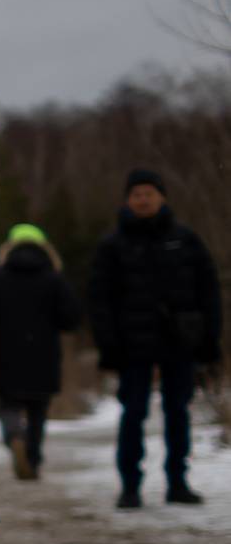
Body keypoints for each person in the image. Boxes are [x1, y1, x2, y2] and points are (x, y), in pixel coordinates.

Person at [88, 169, 220, 507]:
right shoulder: (113, 246)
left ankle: (178, 481)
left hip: (180, 341)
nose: (143, 199)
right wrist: (108, 345)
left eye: (149, 193)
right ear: (127, 200)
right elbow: (99, 300)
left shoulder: (186, 240)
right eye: (137, 194)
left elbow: (209, 292)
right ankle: (130, 486)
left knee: (179, 411)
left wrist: (210, 339)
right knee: (134, 413)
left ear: (162, 197)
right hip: (132, 345)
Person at [0, 224, 82, 480]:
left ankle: (15, 437)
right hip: (44, 355)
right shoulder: (54, 279)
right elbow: (71, 318)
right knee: (38, 410)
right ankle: (33, 458)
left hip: (6, 354)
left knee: (9, 405)